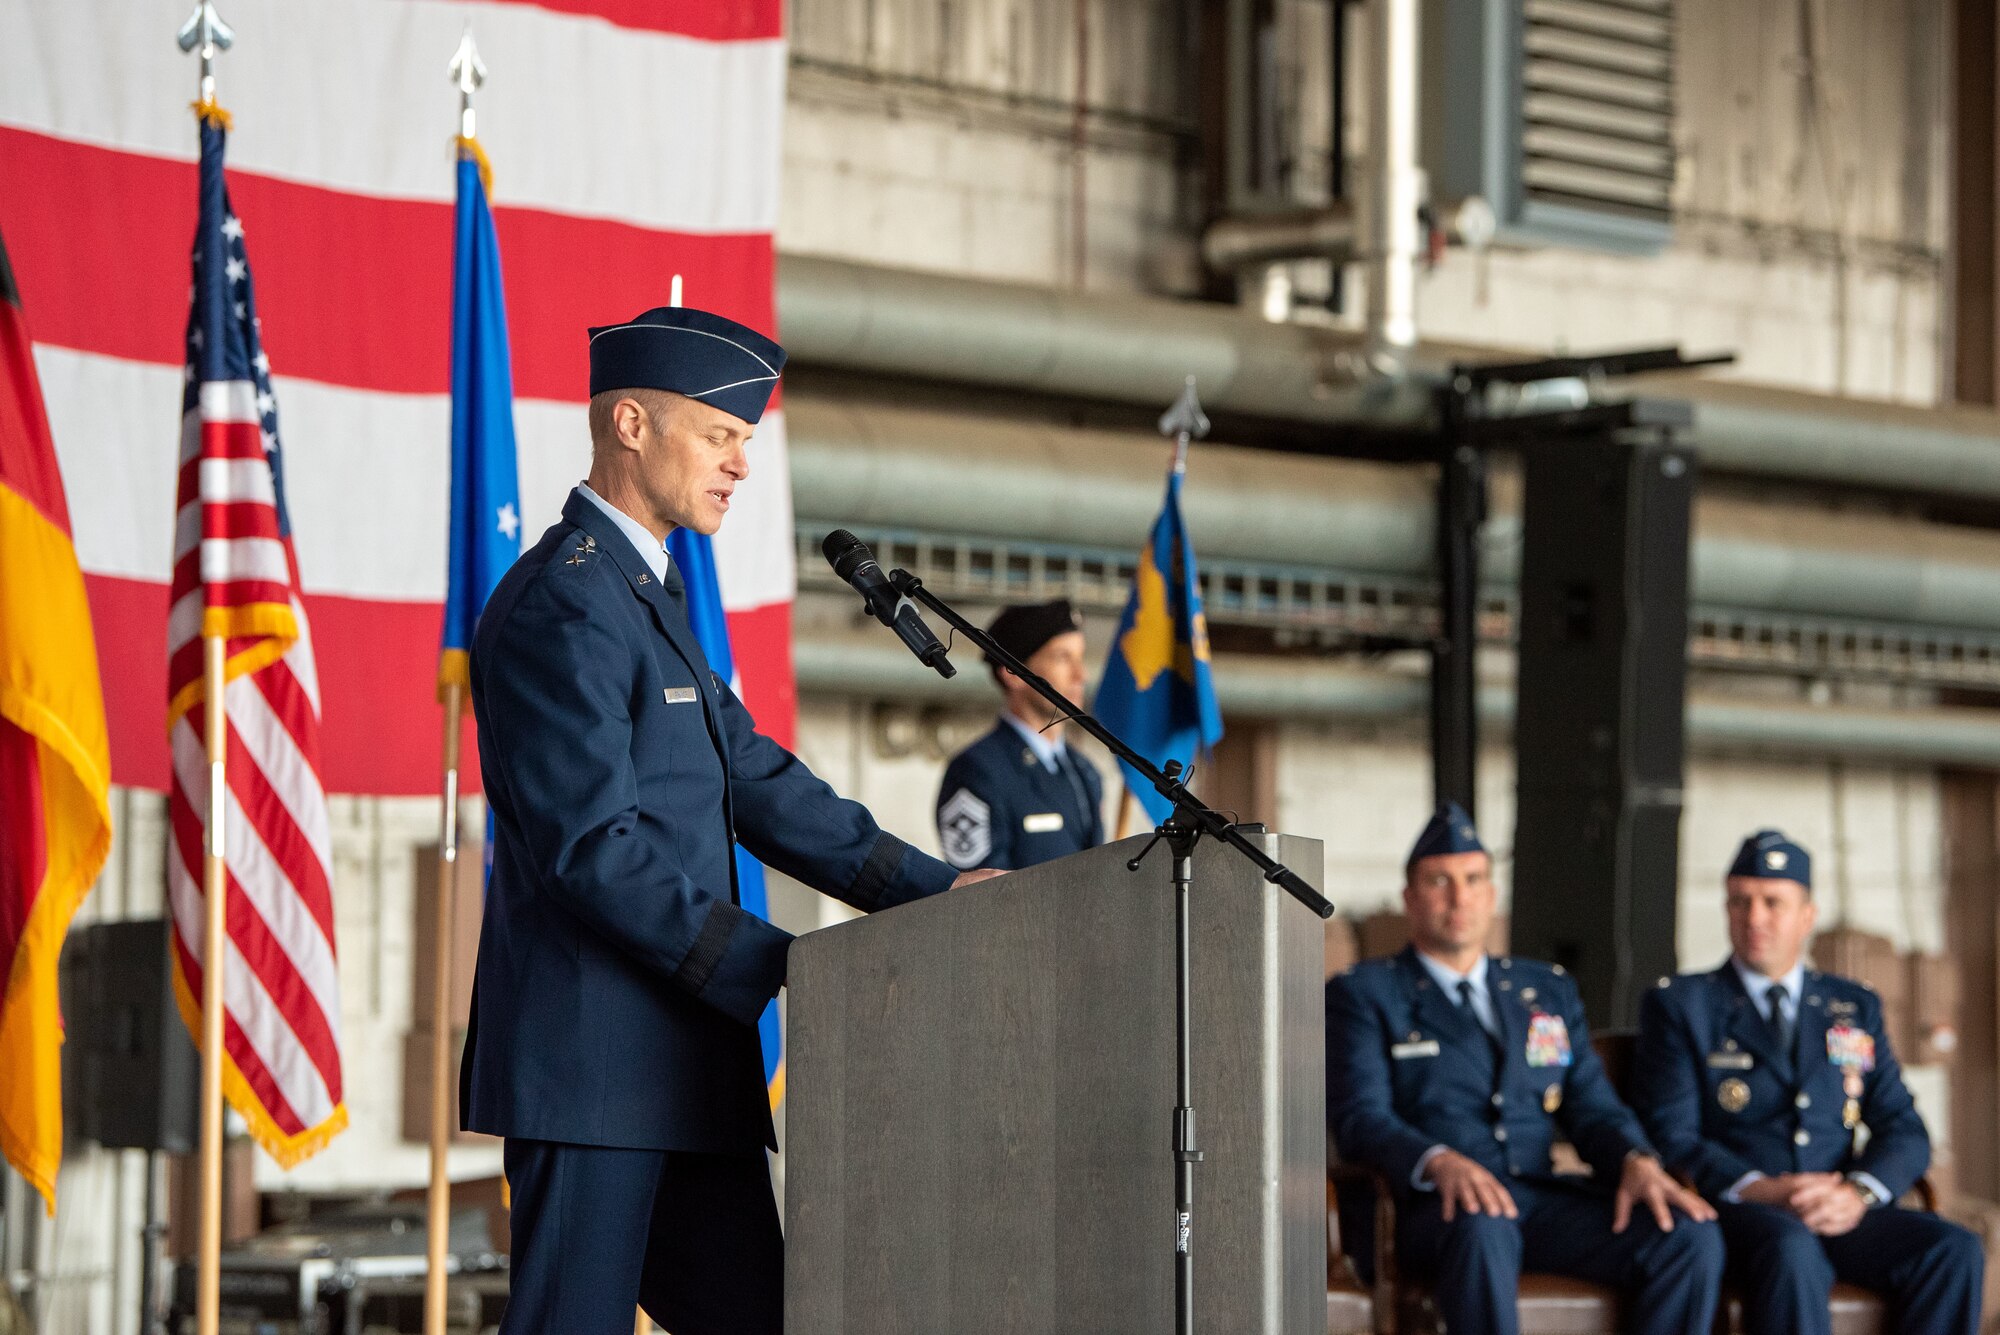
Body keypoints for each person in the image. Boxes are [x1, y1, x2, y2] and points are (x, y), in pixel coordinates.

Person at [461, 304, 1000, 1335]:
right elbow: (592, 850)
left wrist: (934, 894)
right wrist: (783, 964)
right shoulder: (562, 606)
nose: (741, 465)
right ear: (629, 425)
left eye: (747, 442)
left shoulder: (644, 598)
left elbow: (749, 779)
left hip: (689, 1068)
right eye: (721, 435)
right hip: (596, 1076)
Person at [1325, 802, 1722, 1335]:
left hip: (1539, 1198)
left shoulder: (1545, 991)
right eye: (1439, 881)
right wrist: (1438, 1159)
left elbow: (1590, 1103)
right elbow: (1360, 1118)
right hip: (1433, 1209)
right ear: (1410, 899)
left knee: (1686, 1236)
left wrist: (1635, 1159)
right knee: (1484, 1219)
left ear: (1492, 895)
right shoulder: (1366, 993)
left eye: (1473, 880)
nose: (1459, 896)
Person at [1633, 829, 1983, 1335]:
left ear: (1807, 916)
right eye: (1740, 902)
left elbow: (1903, 1129)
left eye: (1772, 902)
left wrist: (1858, 1192)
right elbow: (1673, 1135)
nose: (1754, 918)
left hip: (1838, 1206)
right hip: (1741, 1211)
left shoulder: (1852, 1006)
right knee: (1791, 1248)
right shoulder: (1682, 1005)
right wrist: (1762, 1189)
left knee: (1953, 1249)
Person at [935, 599, 1103, 870]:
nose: (1080, 675)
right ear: (1013, 674)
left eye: (1080, 658)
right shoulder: (977, 772)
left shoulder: (1083, 771)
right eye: (1062, 658)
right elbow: (979, 893)